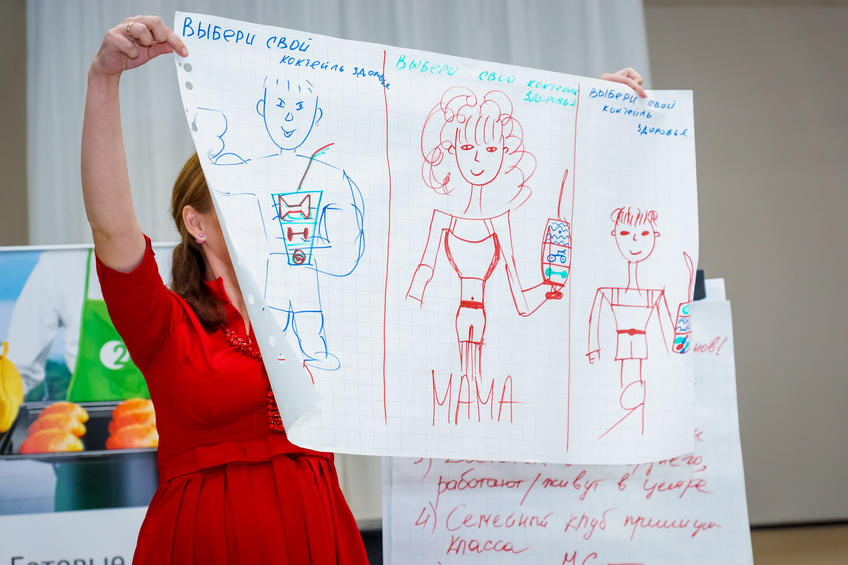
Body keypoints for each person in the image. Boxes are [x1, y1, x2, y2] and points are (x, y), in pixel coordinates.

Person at [81, 16, 368, 564]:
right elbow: (111, 227)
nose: (269, 209)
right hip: (205, 540)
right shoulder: (166, 324)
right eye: (244, 196)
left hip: (319, 533)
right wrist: (104, 79)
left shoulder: (324, 311)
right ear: (197, 223)